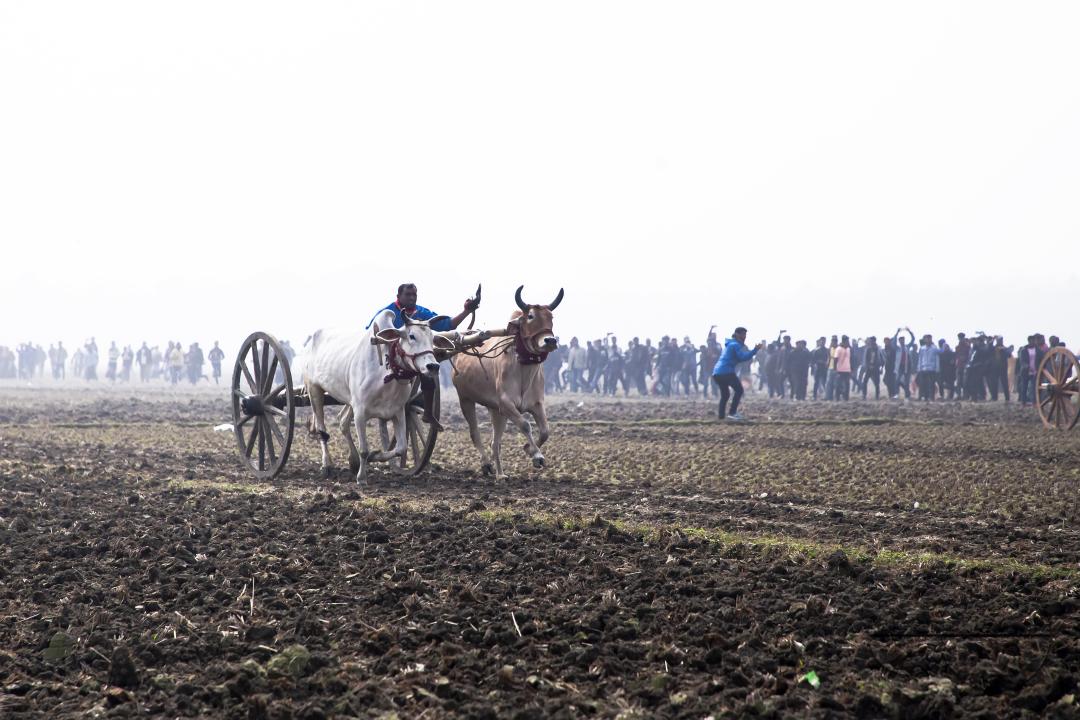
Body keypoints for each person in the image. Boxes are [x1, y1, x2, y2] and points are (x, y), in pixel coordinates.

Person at [367, 283, 480, 429]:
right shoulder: (387, 313)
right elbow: (370, 332)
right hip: (389, 361)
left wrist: (466, 311)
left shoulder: (421, 313)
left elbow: (448, 325)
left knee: (428, 372)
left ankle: (428, 412)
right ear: (398, 296)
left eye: (414, 295)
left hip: (413, 359)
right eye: (408, 295)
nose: (411, 298)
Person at [712, 327, 763, 421]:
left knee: (725, 394)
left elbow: (739, 358)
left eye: (745, 335)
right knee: (739, 390)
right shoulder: (735, 345)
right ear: (737, 335)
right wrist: (755, 350)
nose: (745, 337)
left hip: (717, 373)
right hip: (726, 372)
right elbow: (742, 357)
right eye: (743, 335)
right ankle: (732, 413)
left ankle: (721, 416)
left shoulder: (730, 344)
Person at [916, 334, 941, 401]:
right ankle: (922, 396)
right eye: (927, 339)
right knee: (922, 384)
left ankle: (931, 397)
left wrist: (937, 368)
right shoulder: (922, 348)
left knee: (931, 384)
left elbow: (937, 358)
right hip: (923, 368)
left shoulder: (934, 348)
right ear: (925, 340)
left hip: (931, 368)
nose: (928, 340)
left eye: (929, 339)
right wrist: (919, 368)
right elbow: (920, 358)